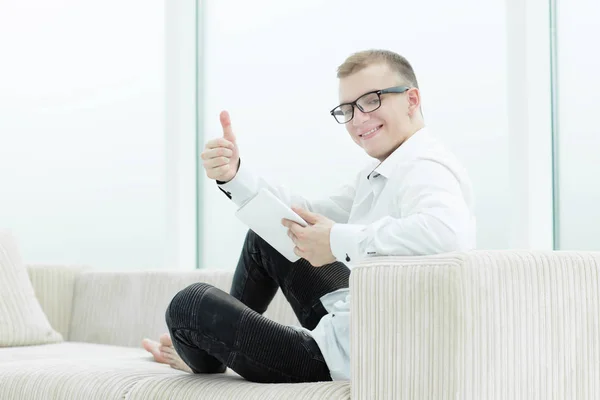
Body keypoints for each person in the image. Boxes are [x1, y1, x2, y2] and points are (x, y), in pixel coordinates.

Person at [142, 49, 476, 383]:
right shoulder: (383, 170)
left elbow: (447, 234)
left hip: (350, 356)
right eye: (348, 109)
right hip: (351, 319)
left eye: (371, 100)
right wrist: (235, 174)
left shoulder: (426, 167)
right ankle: (212, 348)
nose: (358, 119)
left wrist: (335, 240)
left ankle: (203, 354)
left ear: (411, 99)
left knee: (189, 306)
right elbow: (304, 215)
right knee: (269, 234)